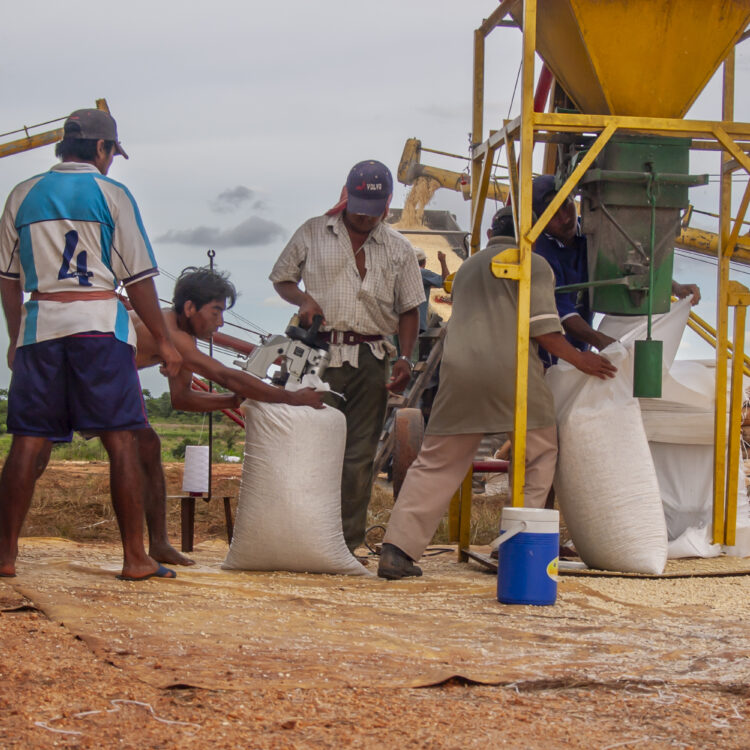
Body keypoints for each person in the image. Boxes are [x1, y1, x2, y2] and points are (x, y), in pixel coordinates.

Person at [377, 207, 617, 580]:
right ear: (529, 235)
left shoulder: (469, 266)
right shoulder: (531, 262)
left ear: (490, 231)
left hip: (458, 372)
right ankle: (515, 549)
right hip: (513, 370)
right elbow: (544, 330)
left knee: (438, 462)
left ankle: (397, 549)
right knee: (539, 455)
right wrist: (582, 360)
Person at [0, 108, 182, 581]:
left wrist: (15, 335)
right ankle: (135, 558)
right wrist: (163, 340)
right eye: (110, 154)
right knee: (120, 439)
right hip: (100, 327)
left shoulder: (22, 194)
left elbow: (7, 279)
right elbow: (139, 280)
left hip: (41, 326)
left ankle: (4, 556)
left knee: (26, 441)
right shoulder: (112, 195)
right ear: (102, 148)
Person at [270, 160, 424, 552]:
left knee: (357, 455)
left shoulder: (399, 249)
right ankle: (300, 535)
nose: (362, 215)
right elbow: (282, 277)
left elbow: (409, 310)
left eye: (372, 210)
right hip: (318, 353)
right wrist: (304, 298)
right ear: (345, 196)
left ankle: (345, 543)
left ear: (385, 204)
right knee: (308, 445)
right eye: (357, 205)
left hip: (371, 357)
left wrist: (405, 359)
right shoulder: (312, 233)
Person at [131, 266, 325, 565]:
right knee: (133, 449)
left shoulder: (182, 338)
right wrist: (292, 398)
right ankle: (140, 551)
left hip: (114, 374)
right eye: (216, 312)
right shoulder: (172, 333)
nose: (220, 323)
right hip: (93, 373)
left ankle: (157, 545)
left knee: (148, 447)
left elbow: (182, 399)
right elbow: (224, 374)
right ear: (189, 307)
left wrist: (234, 400)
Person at [531, 174, 701, 366]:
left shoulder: (594, 234)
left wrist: (674, 287)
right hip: (547, 356)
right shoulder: (540, 254)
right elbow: (561, 313)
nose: (565, 217)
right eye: (553, 214)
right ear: (537, 219)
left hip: (582, 351)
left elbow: (623, 264)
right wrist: (601, 341)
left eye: (565, 204)